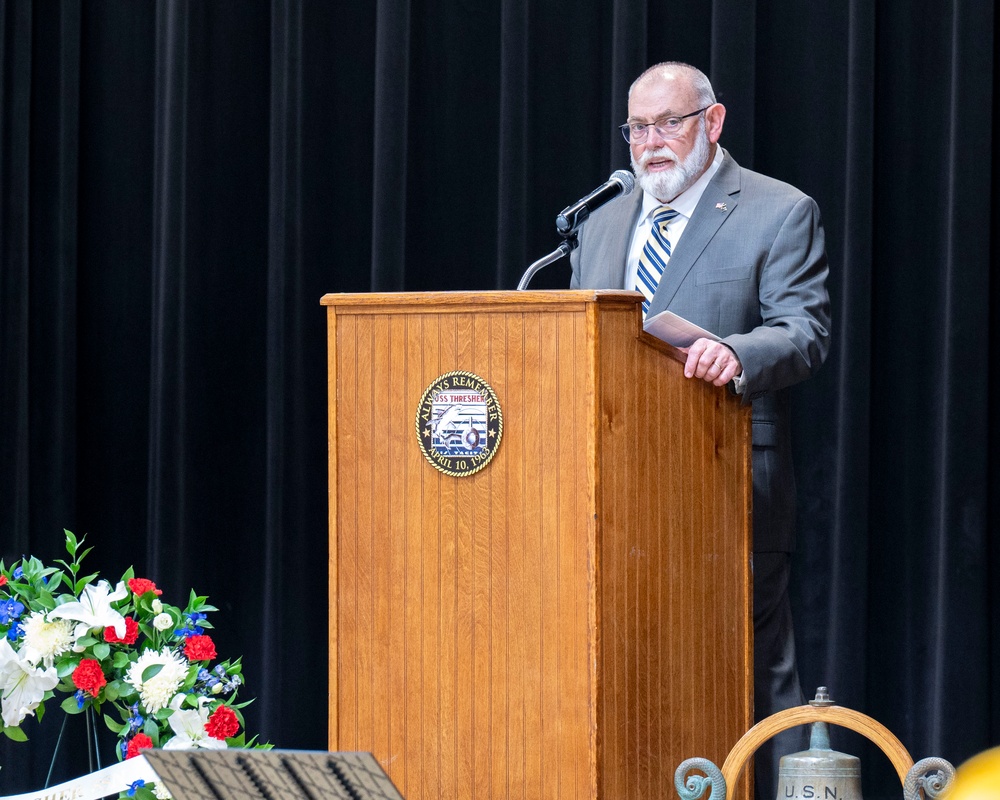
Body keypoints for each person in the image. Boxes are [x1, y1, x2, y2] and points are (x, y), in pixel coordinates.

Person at [570, 62, 831, 800]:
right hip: (609, 486)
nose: (651, 144)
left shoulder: (777, 211)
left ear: (711, 123)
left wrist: (735, 351)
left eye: (669, 124)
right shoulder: (602, 219)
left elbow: (805, 331)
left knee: (746, 665)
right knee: (626, 665)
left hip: (725, 478)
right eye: (638, 128)